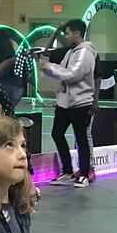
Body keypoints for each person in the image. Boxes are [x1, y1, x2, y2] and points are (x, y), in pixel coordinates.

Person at [37, 19, 97, 188]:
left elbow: (72, 74)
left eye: (68, 33)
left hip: (81, 104)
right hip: (65, 104)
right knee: (57, 133)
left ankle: (84, 173)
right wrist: (47, 68)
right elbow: (62, 71)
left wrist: (48, 66)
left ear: (77, 33)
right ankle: (68, 171)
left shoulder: (86, 52)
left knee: (81, 139)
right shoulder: (72, 52)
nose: (66, 36)